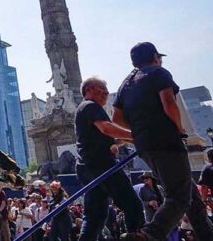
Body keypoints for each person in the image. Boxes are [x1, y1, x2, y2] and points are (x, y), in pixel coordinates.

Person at [113, 42, 213, 240]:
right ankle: (148, 235)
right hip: (167, 141)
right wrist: (178, 128)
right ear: (154, 57)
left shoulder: (126, 83)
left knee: (191, 197)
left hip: (145, 146)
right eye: (159, 57)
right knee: (179, 197)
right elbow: (169, 102)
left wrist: (140, 131)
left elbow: (117, 118)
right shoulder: (158, 72)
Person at [75, 76, 144, 240]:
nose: (106, 92)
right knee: (132, 205)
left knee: (95, 215)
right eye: (101, 88)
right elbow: (106, 128)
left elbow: (111, 139)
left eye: (106, 90)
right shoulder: (91, 106)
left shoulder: (84, 110)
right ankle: (135, 236)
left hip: (86, 166)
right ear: (89, 90)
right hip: (102, 165)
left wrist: (133, 139)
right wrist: (137, 135)